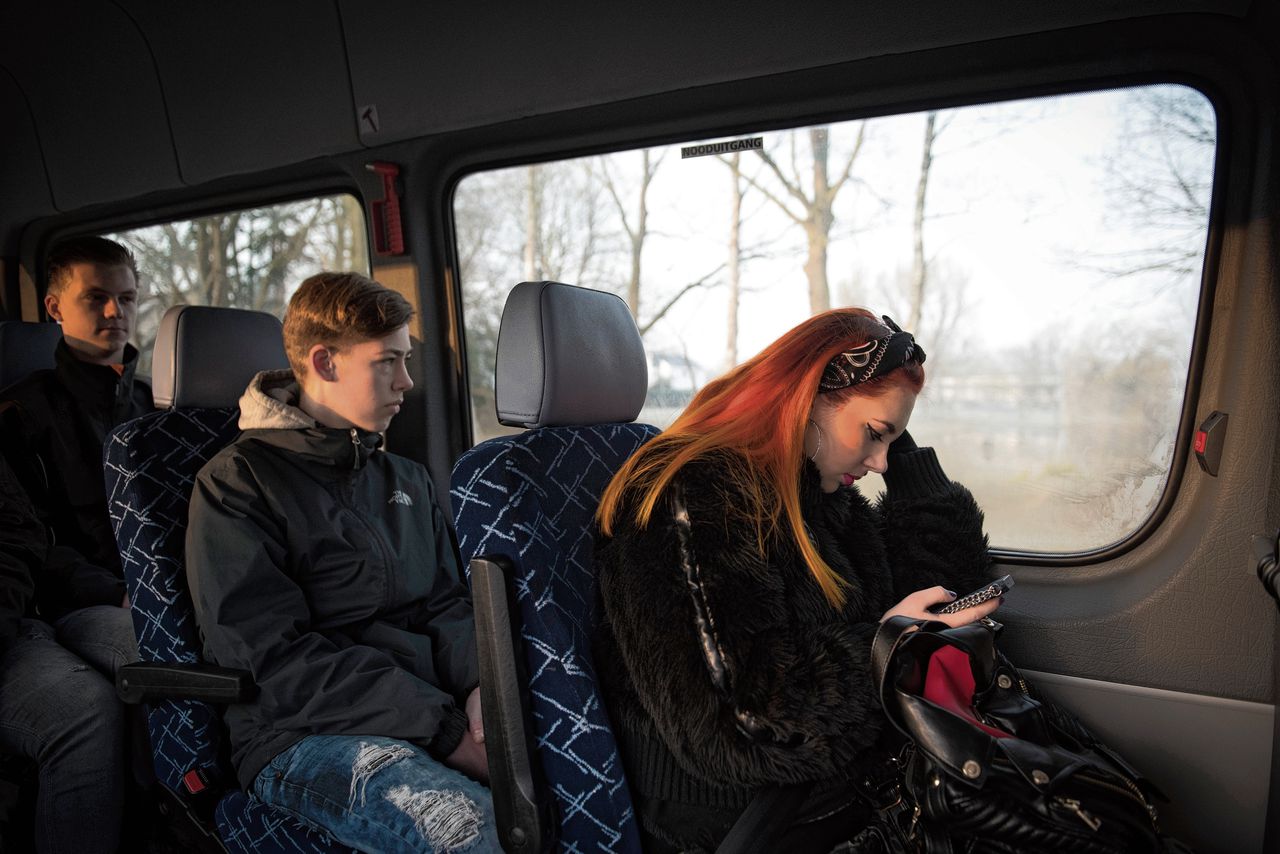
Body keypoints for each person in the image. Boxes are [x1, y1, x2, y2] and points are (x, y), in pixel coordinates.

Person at [593, 308, 1001, 852]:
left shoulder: (818, 494)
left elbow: (930, 587)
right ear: (806, 399)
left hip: (840, 787)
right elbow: (745, 724)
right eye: (875, 434)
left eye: (891, 444)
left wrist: (904, 459)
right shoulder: (691, 493)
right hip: (742, 816)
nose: (880, 462)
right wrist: (888, 645)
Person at [186, 272, 500, 853]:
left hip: (428, 705)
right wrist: (447, 729)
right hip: (302, 734)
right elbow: (275, 661)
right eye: (388, 362)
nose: (406, 381)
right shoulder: (237, 485)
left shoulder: (403, 477)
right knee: (474, 834)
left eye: (406, 360)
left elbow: (446, 602)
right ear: (325, 363)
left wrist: (484, 683)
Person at [0, 235, 149, 853]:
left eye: (126, 299)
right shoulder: (23, 412)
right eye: (97, 298)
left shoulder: (152, 404)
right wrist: (116, 592)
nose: (115, 313)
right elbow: (29, 535)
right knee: (159, 652)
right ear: (56, 306)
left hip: (153, 588)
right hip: (78, 600)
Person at [0, 451, 132, 854]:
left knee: (158, 648)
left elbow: (22, 537)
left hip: (31, 612)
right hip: (31, 616)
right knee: (84, 710)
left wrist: (116, 591)